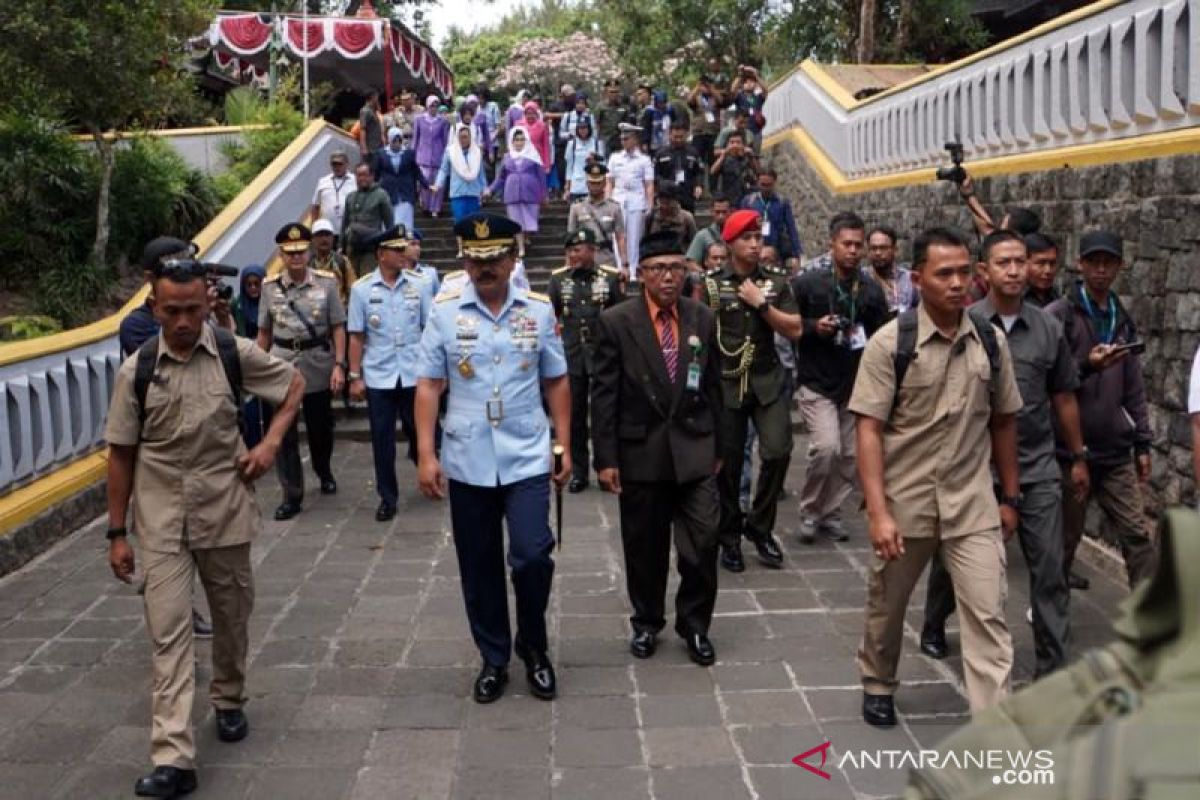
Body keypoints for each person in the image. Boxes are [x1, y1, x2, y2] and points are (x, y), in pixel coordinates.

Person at [104, 254, 304, 799]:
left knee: (232, 616)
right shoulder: (138, 370)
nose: (185, 321)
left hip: (224, 511)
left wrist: (269, 444)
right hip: (161, 519)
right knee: (168, 633)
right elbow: (120, 456)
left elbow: (293, 385)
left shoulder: (233, 355)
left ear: (209, 304)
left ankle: (229, 698)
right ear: (155, 308)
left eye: (194, 309)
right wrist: (117, 533)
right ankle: (174, 756)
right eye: (173, 311)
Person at [848, 226, 1022, 726]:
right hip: (906, 504)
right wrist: (878, 512)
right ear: (918, 278)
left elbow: (1005, 421)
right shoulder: (891, 344)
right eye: (944, 273)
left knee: (988, 614)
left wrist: (1009, 496)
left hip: (971, 503)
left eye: (965, 272)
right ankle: (878, 679)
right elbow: (868, 430)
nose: (957, 283)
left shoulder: (989, 342)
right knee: (889, 603)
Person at [414, 212, 571, 704]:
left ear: (513, 257)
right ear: (464, 259)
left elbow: (556, 380)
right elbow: (429, 385)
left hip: (525, 452)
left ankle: (534, 645)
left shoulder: (539, 310)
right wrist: (425, 452)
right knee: (478, 565)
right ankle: (494, 657)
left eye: (496, 257)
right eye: (476, 258)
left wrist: (563, 444)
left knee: (531, 556)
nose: (486, 267)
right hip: (467, 456)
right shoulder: (443, 312)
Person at [919, 229, 1089, 679]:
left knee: (1049, 568)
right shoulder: (965, 323)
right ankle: (935, 620)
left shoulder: (1048, 328)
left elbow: (1064, 396)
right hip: (974, 467)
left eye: (1021, 262)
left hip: (1036, 466)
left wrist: (1077, 456)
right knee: (951, 562)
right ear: (984, 271)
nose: (1015, 271)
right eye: (1004, 263)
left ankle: (1052, 668)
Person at [590, 229, 723, 666]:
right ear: (642, 274)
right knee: (644, 546)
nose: (669, 277)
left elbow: (715, 385)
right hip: (641, 450)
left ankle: (696, 624)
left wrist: (720, 444)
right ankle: (647, 621)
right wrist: (605, 458)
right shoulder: (616, 322)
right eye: (659, 269)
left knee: (703, 541)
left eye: (676, 268)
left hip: (694, 447)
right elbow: (604, 394)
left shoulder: (702, 317)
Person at [1046, 230, 1158, 591]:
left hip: (1114, 449)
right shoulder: (1060, 316)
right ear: (1080, 264)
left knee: (1137, 534)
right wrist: (1087, 365)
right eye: (1093, 262)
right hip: (1069, 451)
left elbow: (1133, 388)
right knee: (1065, 538)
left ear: (1119, 267)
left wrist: (1142, 442)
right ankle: (1049, 603)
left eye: (1108, 263)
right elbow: (1050, 380)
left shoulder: (1121, 318)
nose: (1100, 270)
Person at [698, 210, 802, 573]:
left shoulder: (774, 281)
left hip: (766, 380)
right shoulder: (711, 284)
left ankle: (759, 526)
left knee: (777, 450)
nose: (756, 244)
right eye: (747, 238)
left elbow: (795, 329)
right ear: (729, 244)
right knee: (726, 466)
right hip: (726, 384)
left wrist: (761, 303)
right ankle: (729, 536)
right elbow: (700, 337)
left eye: (759, 237)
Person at [790, 212, 889, 544]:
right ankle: (809, 509)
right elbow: (788, 325)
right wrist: (812, 328)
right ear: (831, 244)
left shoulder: (871, 291)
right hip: (816, 380)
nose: (853, 250)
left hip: (854, 383)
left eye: (857, 245)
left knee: (850, 454)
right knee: (826, 447)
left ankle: (830, 512)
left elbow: (881, 336)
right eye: (846, 244)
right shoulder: (808, 284)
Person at [256, 223, 347, 521]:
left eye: (300, 252)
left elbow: (337, 327)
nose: (295, 258)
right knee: (284, 434)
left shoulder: (327, 283)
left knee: (321, 428)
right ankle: (291, 494)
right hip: (281, 363)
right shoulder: (269, 288)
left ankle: (324, 469)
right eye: (289, 253)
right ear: (281, 255)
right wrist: (258, 368)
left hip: (317, 362)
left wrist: (339, 365)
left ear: (307, 252)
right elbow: (264, 333)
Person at [347, 225, 436, 521]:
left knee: (420, 429)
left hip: (414, 371)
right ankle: (388, 496)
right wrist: (355, 375)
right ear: (381, 255)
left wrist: (436, 370)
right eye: (397, 250)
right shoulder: (362, 290)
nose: (404, 253)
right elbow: (357, 336)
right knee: (382, 439)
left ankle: (427, 466)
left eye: (404, 248)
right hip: (379, 374)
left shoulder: (419, 284)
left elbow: (429, 329)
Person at [548, 228, 624, 493]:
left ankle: (606, 465)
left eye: (578, 250)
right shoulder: (559, 280)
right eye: (569, 251)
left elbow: (620, 316)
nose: (573, 255)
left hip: (603, 354)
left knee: (606, 413)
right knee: (575, 415)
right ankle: (579, 471)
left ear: (592, 250)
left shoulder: (611, 278)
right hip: (573, 354)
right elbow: (552, 317)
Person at [485, 128, 546, 258]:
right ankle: (521, 247)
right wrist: (490, 189)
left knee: (530, 220)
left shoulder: (533, 155)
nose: (519, 143)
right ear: (511, 141)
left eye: (521, 140)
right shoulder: (507, 157)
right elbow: (501, 177)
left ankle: (527, 237)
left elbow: (541, 177)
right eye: (516, 140)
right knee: (516, 221)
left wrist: (543, 194)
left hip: (530, 192)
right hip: (512, 192)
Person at [607, 123, 655, 282]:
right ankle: (620, 268)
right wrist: (608, 201)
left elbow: (648, 184)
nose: (623, 142)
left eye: (627, 138)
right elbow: (610, 182)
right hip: (619, 199)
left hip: (636, 199)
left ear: (635, 140)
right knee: (618, 236)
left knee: (634, 237)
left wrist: (649, 204)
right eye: (622, 139)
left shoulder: (644, 160)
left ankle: (633, 270)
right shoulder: (615, 158)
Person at [232, 263, 269, 449]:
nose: (253, 289)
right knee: (250, 407)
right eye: (249, 285)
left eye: (257, 284)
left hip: (268, 357)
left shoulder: (271, 303)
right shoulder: (238, 305)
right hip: (246, 358)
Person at [567, 163, 627, 276]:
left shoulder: (614, 207)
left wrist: (624, 264)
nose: (595, 186)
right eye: (592, 183)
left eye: (598, 183)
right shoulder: (577, 207)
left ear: (604, 183)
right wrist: (568, 264)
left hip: (606, 258)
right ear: (587, 183)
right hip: (583, 259)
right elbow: (570, 239)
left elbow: (621, 237)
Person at [341, 161, 393, 278]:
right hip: (352, 248)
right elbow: (345, 224)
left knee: (367, 282)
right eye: (359, 175)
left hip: (371, 250)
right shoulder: (350, 197)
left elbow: (390, 225)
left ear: (372, 176)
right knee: (351, 282)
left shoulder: (381, 195)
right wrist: (341, 246)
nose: (362, 178)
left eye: (365, 174)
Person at [741, 169, 801, 270]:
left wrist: (796, 254)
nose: (765, 188)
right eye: (763, 184)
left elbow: (791, 228)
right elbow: (741, 226)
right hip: (754, 247)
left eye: (769, 185)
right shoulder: (748, 201)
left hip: (777, 249)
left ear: (774, 183)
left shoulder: (782, 202)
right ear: (757, 182)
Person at [373, 126, 427, 233]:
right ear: (389, 140)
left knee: (405, 225)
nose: (397, 144)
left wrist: (426, 185)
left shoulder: (409, 153)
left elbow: (416, 171)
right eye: (394, 141)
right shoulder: (381, 154)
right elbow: (376, 173)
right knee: (389, 224)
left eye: (399, 141)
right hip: (388, 192)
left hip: (405, 193)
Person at [436, 124, 489, 232]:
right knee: (459, 222)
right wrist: (438, 184)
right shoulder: (450, 152)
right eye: (460, 137)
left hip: (473, 193)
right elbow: (443, 170)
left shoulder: (477, 152)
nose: (463, 140)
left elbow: (481, 173)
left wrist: (485, 189)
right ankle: (461, 247)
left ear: (470, 138)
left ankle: (471, 247)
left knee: (474, 222)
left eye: (465, 137)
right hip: (457, 193)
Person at [865, 225, 916, 318]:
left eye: (883, 248)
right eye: (873, 248)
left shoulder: (909, 279)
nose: (878, 253)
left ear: (895, 249)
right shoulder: (861, 278)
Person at [413, 95, 450, 217]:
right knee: (424, 182)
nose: (433, 108)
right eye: (431, 106)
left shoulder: (443, 121)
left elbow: (445, 140)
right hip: (423, 156)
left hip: (438, 156)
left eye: (436, 106)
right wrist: (413, 154)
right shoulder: (419, 119)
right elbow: (416, 138)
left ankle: (436, 208)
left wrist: (446, 154)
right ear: (427, 106)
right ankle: (426, 206)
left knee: (438, 183)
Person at [309, 150, 355, 247]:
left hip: (349, 231)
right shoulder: (323, 181)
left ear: (347, 164)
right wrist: (313, 226)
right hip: (327, 231)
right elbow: (315, 206)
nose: (337, 167)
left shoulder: (355, 180)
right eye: (334, 164)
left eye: (340, 164)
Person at [654, 123, 704, 212]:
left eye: (681, 137)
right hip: (667, 195)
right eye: (675, 137)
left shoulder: (693, 152)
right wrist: (663, 185)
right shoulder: (661, 153)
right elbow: (655, 174)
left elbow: (699, 172)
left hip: (687, 193)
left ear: (686, 135)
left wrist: (698, 185)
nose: (678, 140)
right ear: (669, 135)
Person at [309, 218, 356, 308]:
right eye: (320, 235)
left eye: (327, 235)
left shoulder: (342, 261)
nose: (324, 239)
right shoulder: (307, 263)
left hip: (338, 312)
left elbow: (353, 289)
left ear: (333, 238)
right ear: (313, 239)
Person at [645, 182, 697, 252]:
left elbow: (694, 244)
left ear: (676, 201)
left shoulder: (687, 218)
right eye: (661, 202)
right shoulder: (651, 217)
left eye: (668, 203)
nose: (664, 207)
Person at [685, 194, 733, 269]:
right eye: (717, 212)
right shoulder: (703, 235)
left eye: (724, 212)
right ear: (711, 211)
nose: (721, 216)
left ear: (730, 211)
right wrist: (706, 276)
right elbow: (691, 262)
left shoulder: (737, 235)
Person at [710, 131, 757, 207]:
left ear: (743, 144)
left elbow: (758, 172)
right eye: (732, 142)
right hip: (730, 200)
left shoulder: (748, 157)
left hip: (747, 198)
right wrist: (724, 154)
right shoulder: (724, 159)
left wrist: (751, 156)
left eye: (738, 142)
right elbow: (712, 171)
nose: (735, 145)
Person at [687, 74, 724, 170]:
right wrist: (698, 87)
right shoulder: (696, 98)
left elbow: (721, 100)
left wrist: (710, 87)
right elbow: (689, 100)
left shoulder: (715, 97)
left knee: (713, 161)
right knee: (697, 161)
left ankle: (713, 184)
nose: (705, 87)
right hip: (699, 134)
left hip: (713, 133)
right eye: (704, 85)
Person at [564, 116, 603, 202]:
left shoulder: (597, 143)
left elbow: (603, 165)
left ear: (589, 128)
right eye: (580, 128)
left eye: (585, 127)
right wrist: (567, 188)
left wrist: (595, 160)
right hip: (577, 184)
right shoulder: (572, 144)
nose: (583, 130)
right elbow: (569, 167)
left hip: (593, 182)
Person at [729, 65, 768, 152]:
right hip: (743, 131)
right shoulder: (739, 96)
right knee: (744, 154)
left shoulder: (758, 97)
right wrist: (740, 75)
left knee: (756, 155)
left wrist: (756, 75)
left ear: (755, 84)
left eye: (751, 81)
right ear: (742, 85)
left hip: (757, 130)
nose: (749, 83)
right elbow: (733, 90)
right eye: (746, 82)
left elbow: (765, 90)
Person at [516, 102, 553, 190]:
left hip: (538, 159)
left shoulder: (542, 126)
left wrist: (547, 165)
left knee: (537, 184)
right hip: (523, 157)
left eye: (532, 113)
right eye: (528, 114)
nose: (530, 116)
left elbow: (546, 146)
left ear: (536, 114)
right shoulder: (518, 124)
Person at [596, 78, 632, 157]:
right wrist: (598, 140)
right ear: (607, 92)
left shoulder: (625, 107)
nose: (614, 94)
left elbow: (628, 126)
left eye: (616, 92)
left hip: (620, 141)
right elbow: (597, 124)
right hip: (606, 140)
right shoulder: (601, 107)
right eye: (611, 92)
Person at [1023, 232, 1061, 307]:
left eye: (1052, 263)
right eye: (1041, 263)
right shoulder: (1012, 299)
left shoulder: (1059, 300)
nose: (1048, 270)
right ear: (1024, 262)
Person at [407, 228, 440, 293]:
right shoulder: (396, 274)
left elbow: (438, 300)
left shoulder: (430, 273)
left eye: (418, 244)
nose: (417, 248)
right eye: (413, 244)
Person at [357, 89, 385, 162]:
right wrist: (364, 148)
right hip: (370, 149)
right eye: (377, 97)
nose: (378, 99)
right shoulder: (365, 111)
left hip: (377, 147)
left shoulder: (373, 110)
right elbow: (363, 129)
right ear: (373, 97)